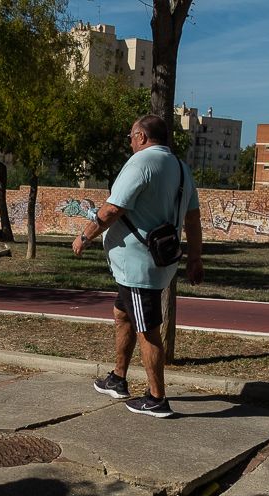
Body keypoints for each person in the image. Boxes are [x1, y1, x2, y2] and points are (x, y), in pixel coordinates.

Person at [71, 114, 203, 418]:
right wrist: (195, 258)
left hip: (138, 268)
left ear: (141, 136)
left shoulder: (141, 163)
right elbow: (193, 219)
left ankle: (157, 398)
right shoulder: (181, 169)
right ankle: (118, 378)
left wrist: (84, 237)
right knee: (123, 314)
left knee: (148, 331)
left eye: (131, 137)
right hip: (157, 261)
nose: (130, 143)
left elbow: (112, 209)